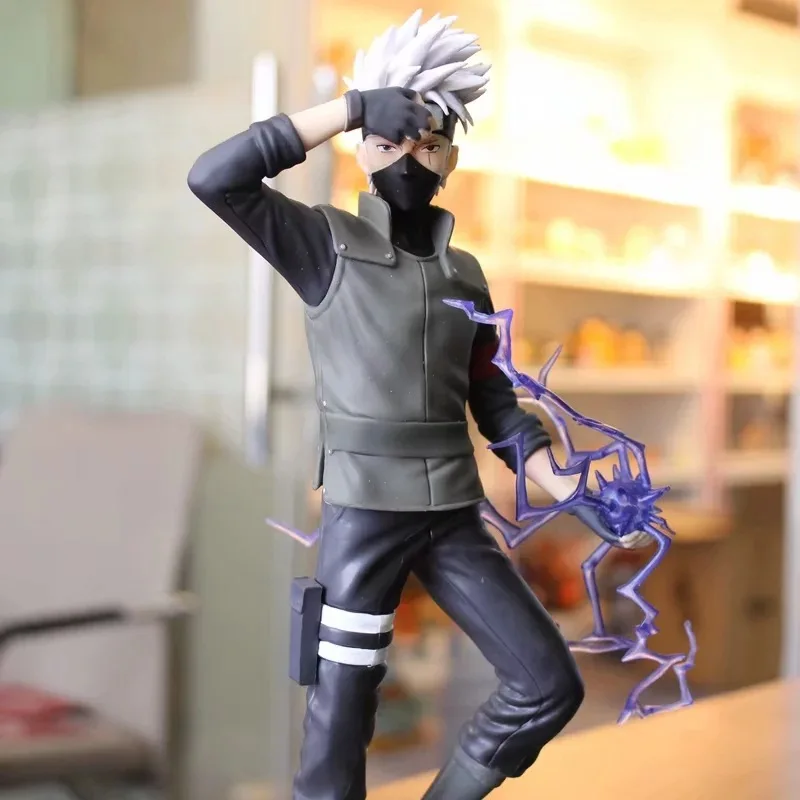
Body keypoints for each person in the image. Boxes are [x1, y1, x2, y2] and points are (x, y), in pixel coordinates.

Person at [188, 11, 648, 799]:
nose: (409, 156)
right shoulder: (324, 244)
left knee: (547, 683)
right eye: (391, 136)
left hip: (453, 516)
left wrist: (574, 491)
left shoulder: (465, 274)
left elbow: (497, 405)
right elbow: (215, 177)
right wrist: (349, 107)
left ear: (452, 156)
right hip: (365, 515)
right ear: (364, 147)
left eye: (429, 141)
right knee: (339, 722)